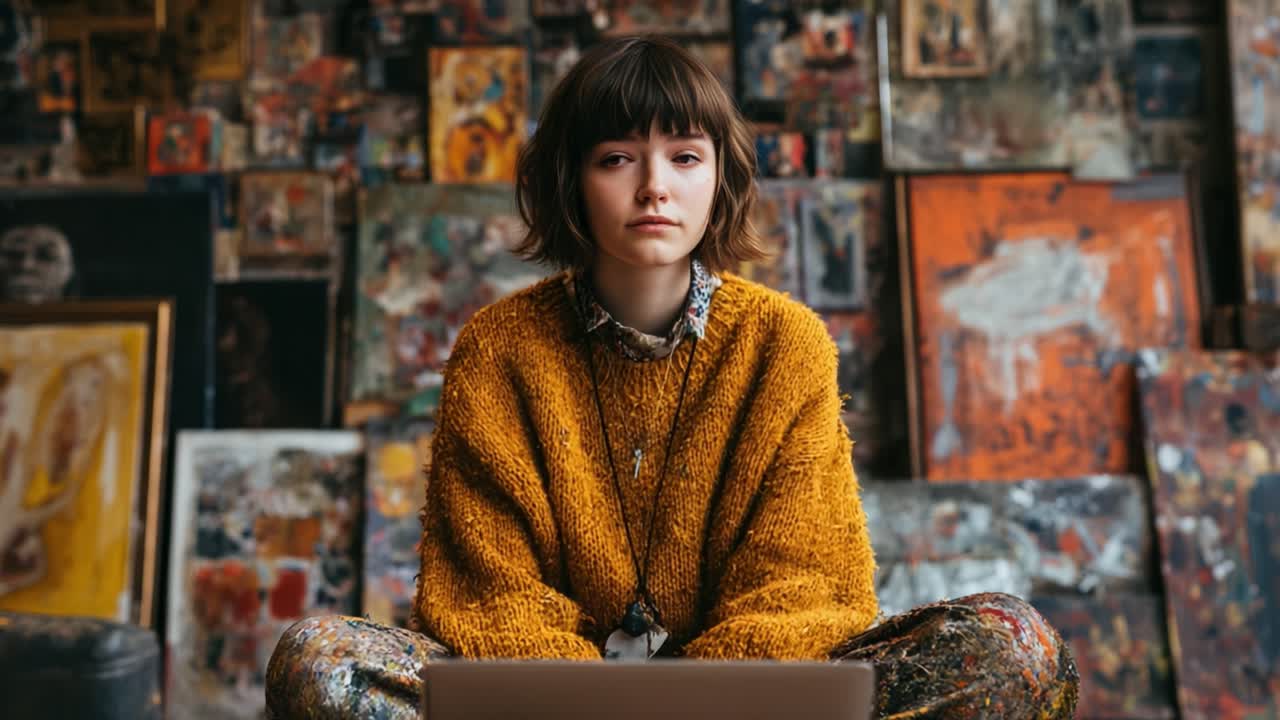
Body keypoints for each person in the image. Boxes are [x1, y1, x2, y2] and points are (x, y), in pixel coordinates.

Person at [265, 36, 1078, 719]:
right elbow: (489, 592)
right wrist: (598, 703)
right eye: (618, 158)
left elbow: (803, 582)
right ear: (572, 181)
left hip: (748, 698)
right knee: (321, 660)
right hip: (551, 701)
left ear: (718, 175)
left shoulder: (785, 344)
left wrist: (696, 697)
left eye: (684, 156)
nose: (654, 185)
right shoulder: (499, 348)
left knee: (1018, 647)